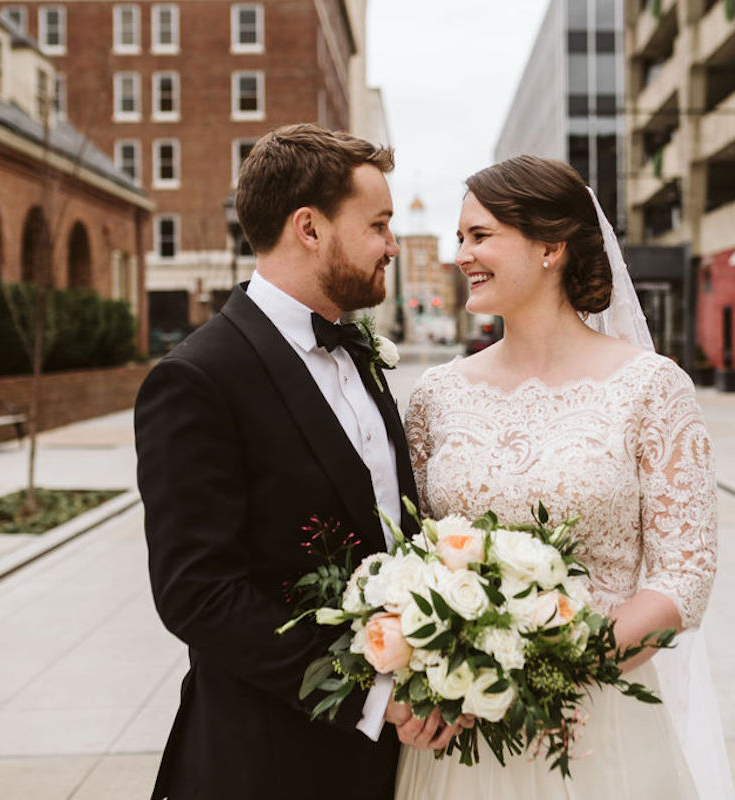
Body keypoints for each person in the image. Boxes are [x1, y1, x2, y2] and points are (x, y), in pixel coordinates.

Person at [134, 124, 461, 800]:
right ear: (309, 229)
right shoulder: (197, 379)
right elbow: (197, 592)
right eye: (377, 225)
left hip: (388, 763)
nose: (392, 246)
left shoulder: (359, 349)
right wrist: (369, 693)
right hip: (268, 759)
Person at [397, 156, 734, 799]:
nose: (462, 253)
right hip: (463, 727)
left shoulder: (650, 388)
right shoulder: (436, 395)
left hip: (597, 721)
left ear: (551, 246)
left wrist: (554, 670)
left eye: (481, 235)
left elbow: (685, 575)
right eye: (460, 237)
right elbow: (411, 547)